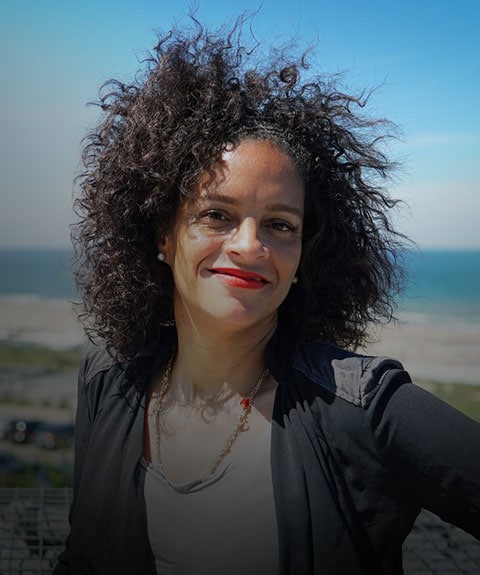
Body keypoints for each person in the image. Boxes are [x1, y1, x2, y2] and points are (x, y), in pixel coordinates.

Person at [54, 17, 480, 575]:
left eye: (280, 224)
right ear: (163, 233)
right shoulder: (108, 378)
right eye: (217, 215)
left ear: (306, 255)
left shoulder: (364, 408)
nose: (251, 245)